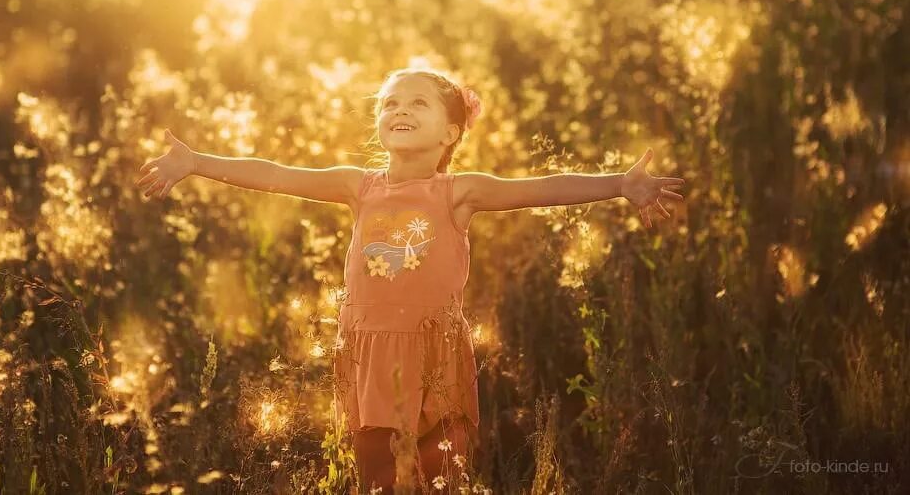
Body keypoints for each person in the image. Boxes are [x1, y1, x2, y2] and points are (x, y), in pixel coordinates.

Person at [135, 67, 686, 492]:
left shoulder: (459, 192)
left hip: (435, 348)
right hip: (371, 348)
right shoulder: (360, 186)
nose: (400, 109)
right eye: (390, 103)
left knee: (440, 472)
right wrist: (198, 163)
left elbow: (540, 187)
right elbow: (278, 176)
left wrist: (619, 184)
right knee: (377, 475)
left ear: (451, 130)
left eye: (417, 102)